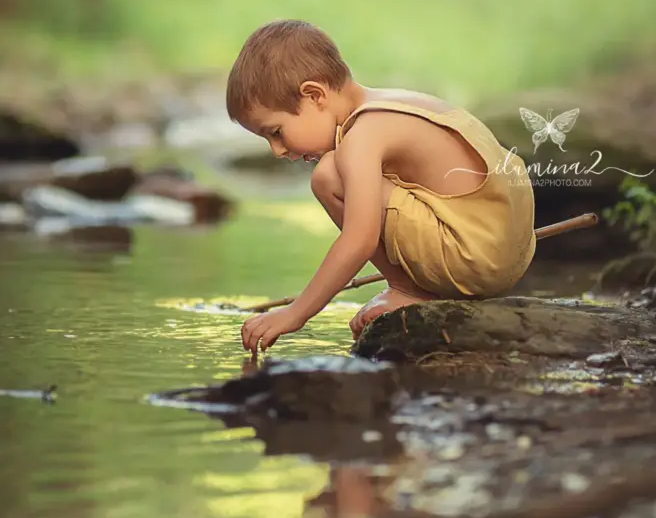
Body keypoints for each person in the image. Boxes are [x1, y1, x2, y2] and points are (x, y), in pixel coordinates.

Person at [226, 19, 536, 354]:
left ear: (314, 95)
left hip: (476, 259)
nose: (277, 150)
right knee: (337, 170)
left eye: (276, 132)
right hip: (510, 250)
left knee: (328, 176)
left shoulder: (362, 136)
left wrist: (295, 314)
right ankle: (415, 287)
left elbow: (360, 239)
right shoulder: (393, 104)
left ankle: (407, 290)